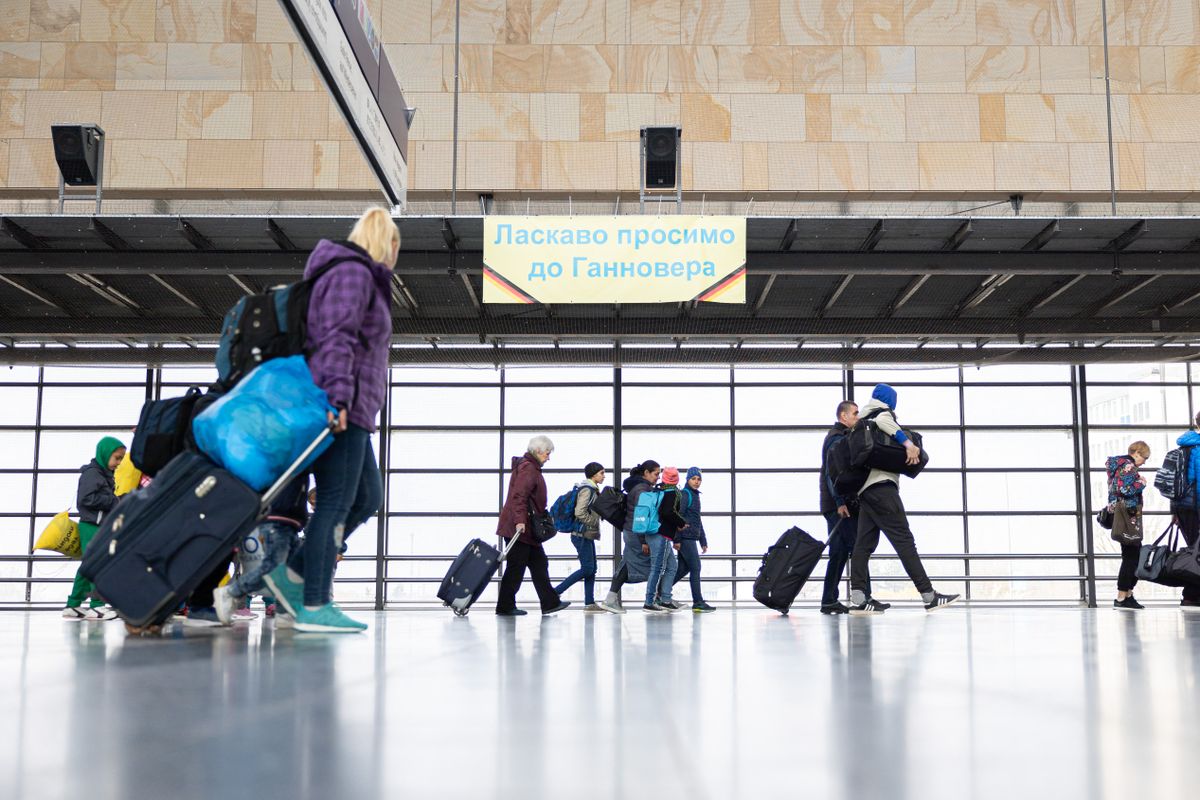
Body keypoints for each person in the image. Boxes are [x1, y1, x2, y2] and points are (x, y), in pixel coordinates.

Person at [262, 207, 392, 634]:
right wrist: (337, 398)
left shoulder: (356, 275)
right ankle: (314, 603)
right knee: (335, 503)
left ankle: (293, 574)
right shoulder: (353, 273)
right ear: (385, 243)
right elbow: (337, 338)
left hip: (355, 407)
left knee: (367, 496)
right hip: (340, 405)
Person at [848, 384, 959, 614]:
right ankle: (928, 595)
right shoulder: (881, 414)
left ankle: (858, 599)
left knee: (863, 546)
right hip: (882, 489)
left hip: (866, 491)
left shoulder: (861, 420)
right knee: (904, 541)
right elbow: (885, 423)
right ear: (890, 400)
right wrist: (908, 444)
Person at [213, 475, 309, 626]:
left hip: (291, 521)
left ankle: (285, 612)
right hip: (277, 518)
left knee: (291, 571)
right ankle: (232, 591)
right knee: (273, 569)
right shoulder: (287, 458)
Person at [495, 436, 571, 617]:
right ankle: (505, 606)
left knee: (539, 564)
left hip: (528, 529)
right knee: (516, 567)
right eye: (547, 453)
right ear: (537, 451)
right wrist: (519, 521)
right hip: (520, 528)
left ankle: (550, 602)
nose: (548, 457)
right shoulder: (528, 469)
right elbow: (519, 497)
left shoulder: (531, 468)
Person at [61, 436, 125, 621]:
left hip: (96, 525)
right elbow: (85, 499)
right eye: (117, 458)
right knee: (97, 564)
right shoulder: (93, 474)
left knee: (89, 565)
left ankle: (73, 605)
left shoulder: (103, 474)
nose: (119, 463)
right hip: (91, 525)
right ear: (105, 454)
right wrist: (113, 501)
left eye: (121, 458)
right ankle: (97, 606)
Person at [819, 401, 871, 615]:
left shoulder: (839, 437)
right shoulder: (836, 439)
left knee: (839, 553)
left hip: (835, 504)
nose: (858, 417)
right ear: (843, 416)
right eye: (855, 414)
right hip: (838, 505)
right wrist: (840, 502)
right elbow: (833, 474)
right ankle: (864, 598)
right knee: (859, 547)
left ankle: (829, 600)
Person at [598, 461, 661, 614]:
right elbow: (640, 517)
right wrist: (643, 541)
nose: (657, 478)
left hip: (630, 531)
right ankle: (657, 599)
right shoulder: (642, 490)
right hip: (636, 533)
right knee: (655, 564)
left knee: (628, 563)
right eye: (656, 474)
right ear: (646, 473)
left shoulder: (637, 488)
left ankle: (610, 599)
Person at [553, 462, 606, 612]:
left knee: (592, 568)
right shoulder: (587, 490)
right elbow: (579, 512)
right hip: (581, 534)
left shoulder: (592, 489)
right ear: (594, 474)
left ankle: (589, 603)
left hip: (586, 534)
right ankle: (555, 592)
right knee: (588, 568)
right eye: (602, 473)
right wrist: (594, 521)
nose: (604, 476)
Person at [1107, 441, 1149, 611]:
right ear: (1136, 452)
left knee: (1132, 554)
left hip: (1120, 514)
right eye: (1144, 457)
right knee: (1132, 556)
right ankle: (1122, 597)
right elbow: (1124, 489)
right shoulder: (1128, 466)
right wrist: (1142, 483)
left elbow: (1115, 489)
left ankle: (1128, 595)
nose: (1145, 462)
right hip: (1128, 515)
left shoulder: (1117, 465)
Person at [674, 467, 715, 612]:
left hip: (691, 537)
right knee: (696, 567)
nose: (697, 482)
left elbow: (697, 520)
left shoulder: (694, 495)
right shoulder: (686, 494)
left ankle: (660, 592)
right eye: (693, 479)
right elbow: (678, 517)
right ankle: (697, 601)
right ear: (687, 480)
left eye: (699, 479)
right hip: (685, 537)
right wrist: (677, 539)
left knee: (683, 569)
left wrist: (703, 540)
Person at [1172, 416, 1200, 611]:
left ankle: (1190, 597)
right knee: (1197, 552)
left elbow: (1176, 483)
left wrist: (1174, 510)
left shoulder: (1183, 447)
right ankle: (1191, 596)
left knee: (1194, 550)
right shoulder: (1196, 449)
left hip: (1183, 507)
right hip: (1195, 506)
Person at [649, 467, 685, 611]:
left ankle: (665, 599)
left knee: (671, 566)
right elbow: (668, 512)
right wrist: (681, 522)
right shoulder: (671, 493)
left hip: (655, 532)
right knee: (658, 568)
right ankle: (650, 600)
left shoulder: (659, 490)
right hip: (662, 533)